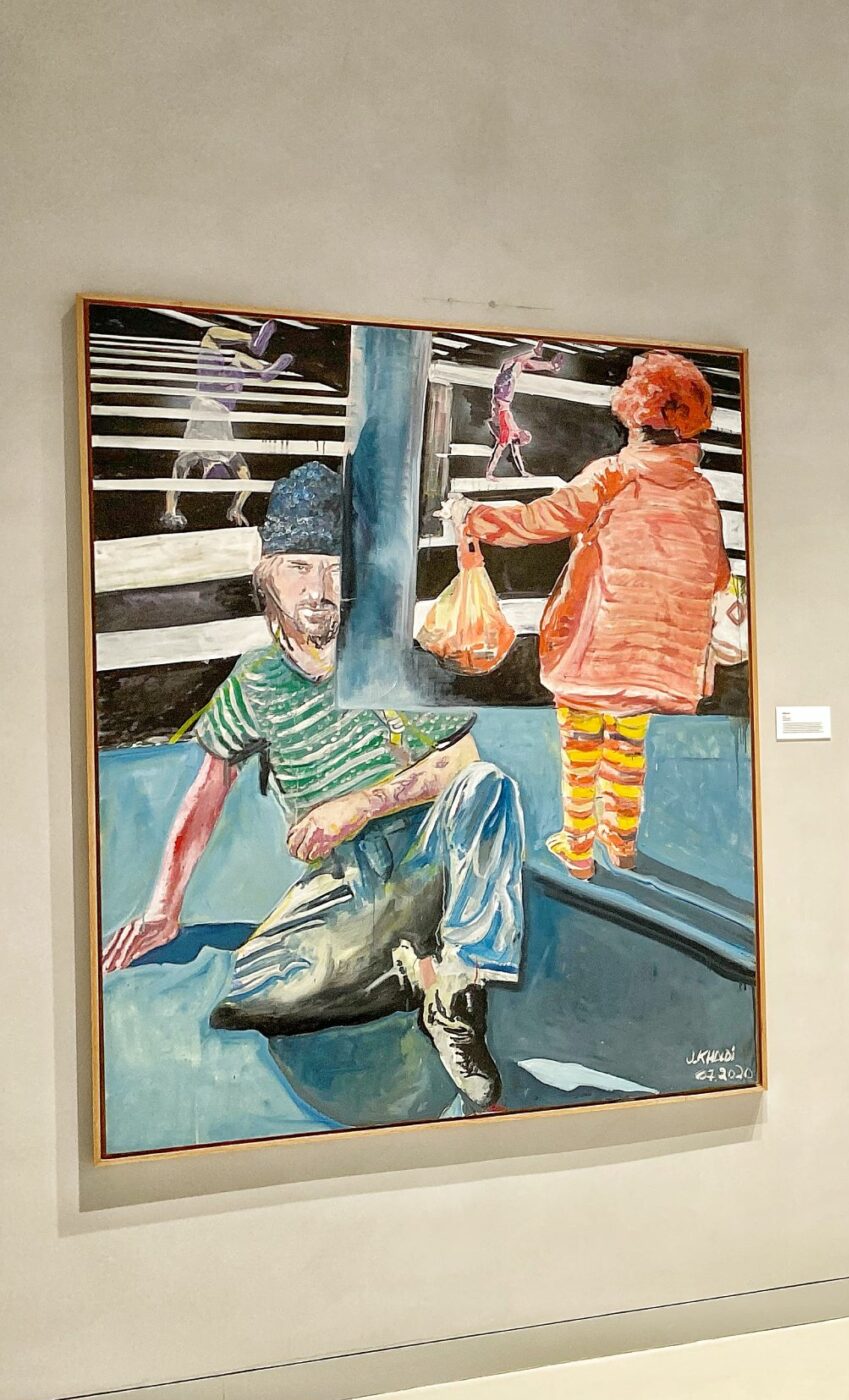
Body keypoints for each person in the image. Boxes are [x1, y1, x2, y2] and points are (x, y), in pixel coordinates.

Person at [102, 461, 525, 1111]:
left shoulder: (385, 656)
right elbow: (206, 794)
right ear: (268, 575)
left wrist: (359, 805)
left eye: (333, 568)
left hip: (428, 856)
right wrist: (164, 908)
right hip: (347, 884)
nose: (319, 589)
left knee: (490, 788)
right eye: (299, 567)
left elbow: (461, 763)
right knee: (250, 989)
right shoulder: (258, 680)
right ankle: (416, 966)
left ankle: (457, 987)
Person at [458, 350, 730, 879]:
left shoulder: (613, 475)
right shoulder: (701, 492)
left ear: (634, 417)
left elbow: (543, 520)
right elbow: (716, 571)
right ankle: (621, 841)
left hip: (596, 642)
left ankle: (579, 847)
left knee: (580, 747)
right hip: (656, 653)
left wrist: (478, 518)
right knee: (628, 745)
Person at [161, 319, 295, 531]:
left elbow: (246, 481)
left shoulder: (228, 454)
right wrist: (170, 510)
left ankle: (262, 369)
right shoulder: (192, 452)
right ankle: (254, 350)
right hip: (208, 391)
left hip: (226, 400)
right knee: (211, 336)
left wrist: (236, 507)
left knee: (238, 359)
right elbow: (175, 482)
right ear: (205, 471)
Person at [485, 341, 563, 479]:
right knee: (515, 364)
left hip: (502, 395)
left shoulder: (507, 435)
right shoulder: (512, 434)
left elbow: (497, 454)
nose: (527, 435)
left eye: (526, 438)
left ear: (518, 438)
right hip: (504, 397)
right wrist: (523, 472)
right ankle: (549, 365)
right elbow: (516, 455)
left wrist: (489, 474)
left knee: (514, 363)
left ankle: (538, 355)